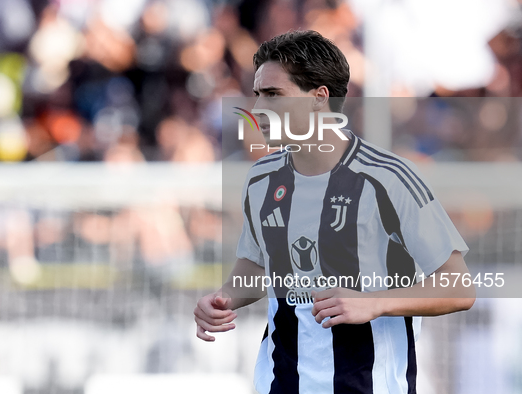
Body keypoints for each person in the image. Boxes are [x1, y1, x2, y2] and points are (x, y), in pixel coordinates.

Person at [194, 30, 475, 394]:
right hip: (280, 385)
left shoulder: (388, 179)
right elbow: (257, 265)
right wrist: (222, 300)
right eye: (258, 94)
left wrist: (373, 303)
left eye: (274, 94)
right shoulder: (261, 179)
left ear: (318, 99)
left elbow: (459, 287)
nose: (258, 108)